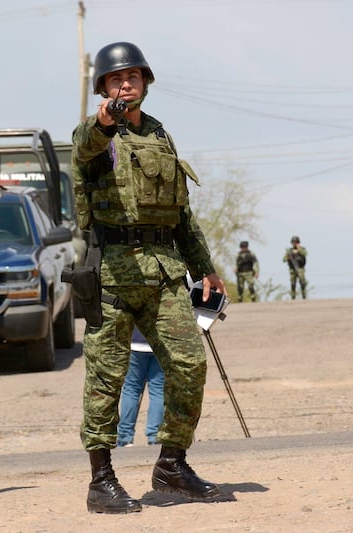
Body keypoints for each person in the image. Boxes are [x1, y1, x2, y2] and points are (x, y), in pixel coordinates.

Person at [71, 41, 227, 514]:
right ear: (102, 87)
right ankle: (101, 479)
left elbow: (181, 214)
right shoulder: (94, 133)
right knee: (105, 379)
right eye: (116, 78)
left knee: (189, 365)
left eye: (134, 77)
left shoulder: (160, 135)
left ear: (145, 83)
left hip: (162, 271)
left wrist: (205, 267)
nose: (126, 84)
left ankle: (172, 463)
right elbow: (85, 144)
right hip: (113, 274)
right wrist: (104, 120)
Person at [117, 328, 164, 447]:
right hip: (160, 342)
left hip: (135, 341)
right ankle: (154, 435)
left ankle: (125, 437)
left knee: (131, 390)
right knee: (158, 390)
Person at [282, 235, 307, 299]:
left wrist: (299, 249)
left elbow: (305, 254)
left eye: (296, 242)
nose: (294, 243)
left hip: (300, 269)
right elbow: (284, 259)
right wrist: (288, 257)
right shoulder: (289, 251)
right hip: (292, 270)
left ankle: (304, 296)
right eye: (293, 242)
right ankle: (293, 297)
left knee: (302, 282)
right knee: (293, 284)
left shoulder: (302, 249)